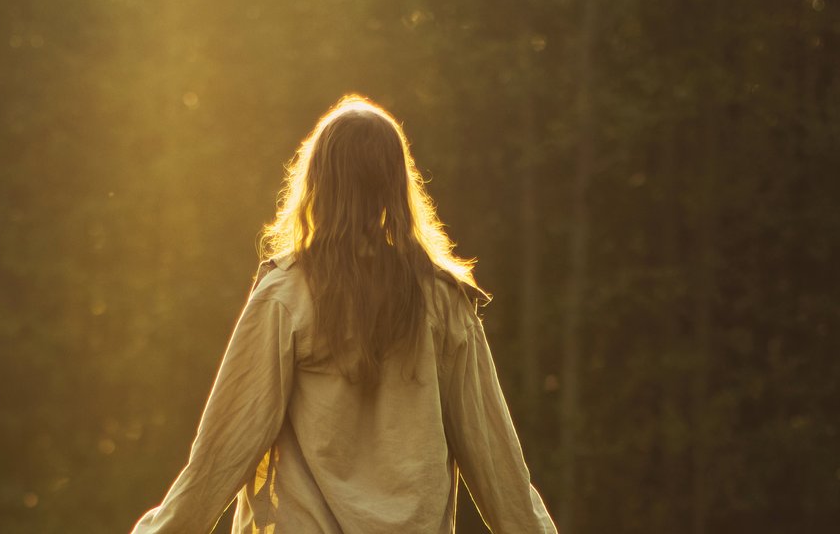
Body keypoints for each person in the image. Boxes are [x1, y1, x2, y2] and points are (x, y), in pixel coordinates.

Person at [130, 95, 557, 533]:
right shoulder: (444, 301)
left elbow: (222, 451)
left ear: (317, 182)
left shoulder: (286, 295)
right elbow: (497, 464)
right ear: (395, 184)